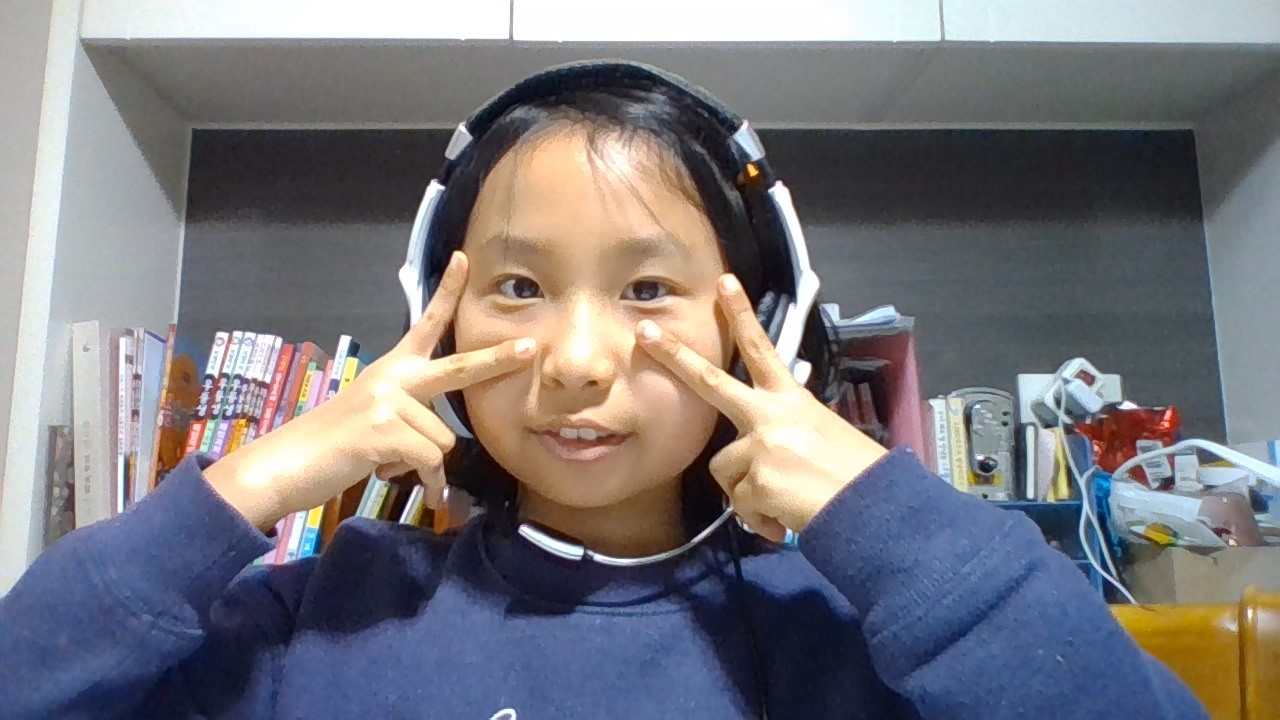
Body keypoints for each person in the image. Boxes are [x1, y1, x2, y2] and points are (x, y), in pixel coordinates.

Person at [0, 60, 1205, 720]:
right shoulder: (317, 626)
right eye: (519, 285)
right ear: (436, 311)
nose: (576, 361)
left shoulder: (845, 640)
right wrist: (247, 484)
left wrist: (885, 516)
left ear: (763, 322)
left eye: (646, 289)